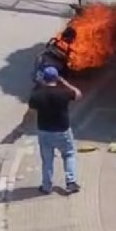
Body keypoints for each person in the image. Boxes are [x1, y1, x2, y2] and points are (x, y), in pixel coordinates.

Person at [28, 66, 82, 195]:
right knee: (68, 154)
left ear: (43, 78)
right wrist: (65, 83)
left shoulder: (37, 95)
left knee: (47, 160)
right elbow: (78, 94)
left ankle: (46, 186)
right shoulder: (63, 93)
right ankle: (71, 183)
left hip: (44, 131)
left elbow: (31, 110)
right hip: (62, 131)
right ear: (56, 78)